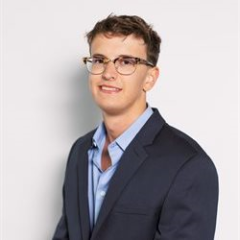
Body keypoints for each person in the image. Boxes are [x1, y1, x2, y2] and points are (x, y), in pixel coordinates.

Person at [52, 14, 218, 240]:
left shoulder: (189, 166)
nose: (108, 73)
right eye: (100, 60)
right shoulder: (80, 152)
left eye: (126, 62)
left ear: (150, 78)